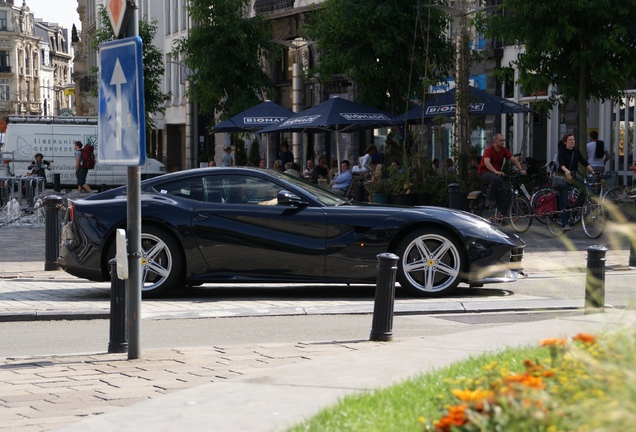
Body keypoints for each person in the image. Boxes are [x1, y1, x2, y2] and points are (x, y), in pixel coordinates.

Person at [553, 133, 595, 231]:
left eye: (573, 139)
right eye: (570, 140)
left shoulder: (576, 151)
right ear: (565, 142)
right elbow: (561, 164)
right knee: (563, 201)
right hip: (563, 177)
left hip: (572, 177)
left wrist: (592, 171)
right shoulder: (562, 152)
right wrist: (566, 170)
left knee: (586, 187)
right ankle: (565, 224)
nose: (572, 141)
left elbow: (584, 162)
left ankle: (576, 207)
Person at [478, 134, 526, 213]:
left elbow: (513, 159)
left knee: (503, 193)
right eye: (500, 141)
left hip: (496, 174)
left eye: (503, 140)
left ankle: (503, 217)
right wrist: (495, 171)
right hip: (484, 173)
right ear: (495, 141)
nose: (502, 142)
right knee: (496, 179)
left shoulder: (503, 150)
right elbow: (487, 162)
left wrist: (521, 169)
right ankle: (489, 199)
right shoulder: (488, 150)